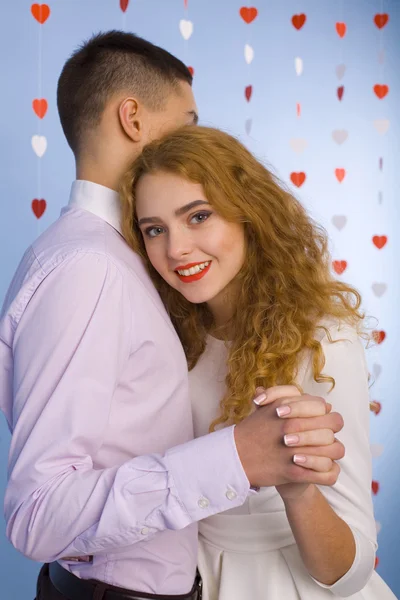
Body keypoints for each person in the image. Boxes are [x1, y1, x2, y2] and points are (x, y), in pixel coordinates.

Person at [0, 32, 344, 600]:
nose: (197, 138)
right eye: (187, 119)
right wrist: (236, 457)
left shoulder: (119, 257)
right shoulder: (92, 267)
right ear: (133, 118)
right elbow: (37, 514)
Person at [119, 125, 397, 600]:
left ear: (250, 215)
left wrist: (298, 492)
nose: (176, 249)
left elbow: (347, 573)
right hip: (185, 577)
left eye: (199, 216)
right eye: (154, 230)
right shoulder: (164, 334)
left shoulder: (322, 342)